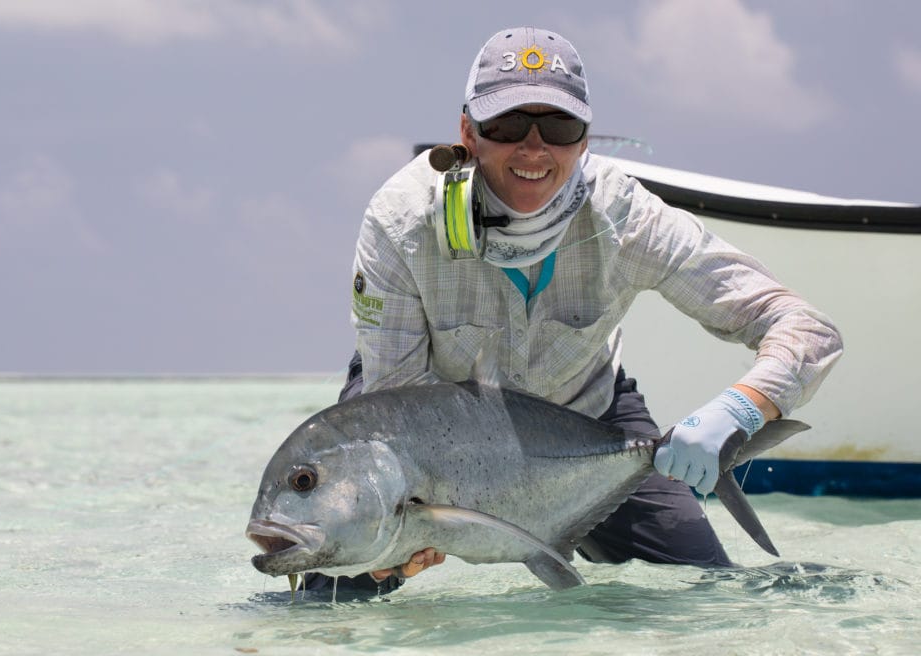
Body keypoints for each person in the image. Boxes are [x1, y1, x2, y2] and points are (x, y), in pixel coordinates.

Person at [305, 26, 842, 596]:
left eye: (559, 127)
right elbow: (398, 408)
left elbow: (806, 330)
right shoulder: (401, 221)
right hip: (420, 436)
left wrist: (741, 410)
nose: (534, 149)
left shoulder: (627, 217)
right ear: (468, 131)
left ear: (584, 139)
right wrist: (413, 524)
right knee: (327, 602)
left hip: (588, 420)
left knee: (704, 595)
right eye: (508, 125)